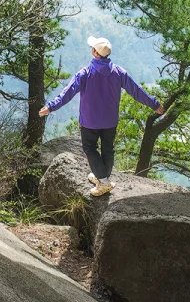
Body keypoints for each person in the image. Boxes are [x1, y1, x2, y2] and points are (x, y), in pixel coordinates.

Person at [39, 36, 162, 197]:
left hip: (90, 122)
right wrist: (154, 104)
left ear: (94, 53)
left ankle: (103, 182)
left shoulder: (85, 73)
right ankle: (102, 177)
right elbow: (136, 91)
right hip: (110, 121)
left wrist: (50, 106)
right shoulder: (119, 72)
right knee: (108, 149)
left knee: (90, 148)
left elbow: (67, 93)